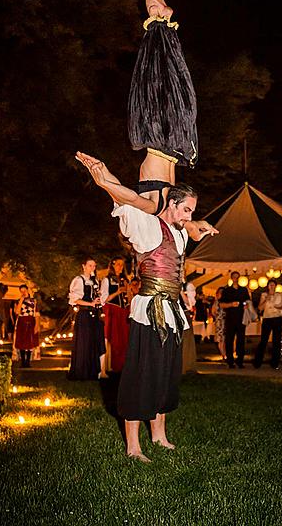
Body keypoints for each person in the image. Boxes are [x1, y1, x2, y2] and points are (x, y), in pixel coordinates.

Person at [75, 0, 217, 242]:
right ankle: (160, 24)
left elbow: (130, 198)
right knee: (164, 87)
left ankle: (161, 23)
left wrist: (104, 178)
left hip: (168, 140)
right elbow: (188, 227)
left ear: (173, 205)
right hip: (168, 140)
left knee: (165, 87)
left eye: (187, 211)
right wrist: (197, 227)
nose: (188, 216)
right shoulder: (167, 210)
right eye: (188, 210)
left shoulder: (157, 207)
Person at [94, 180, 213, 462]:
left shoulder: (181, 232)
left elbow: (191, 230)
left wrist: (199, 225)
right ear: (171, 204)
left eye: (192, 211)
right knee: (142, 373)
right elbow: (127, 201)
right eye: (185, 209)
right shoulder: (148, 228)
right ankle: (133, 446)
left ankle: (159, 435)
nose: (188, 216)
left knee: (166, 374)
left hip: (172, 311)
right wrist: (104, 178)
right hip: (149, 311)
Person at [68, 258, 107, 380]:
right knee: (83, 344)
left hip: (93, 316)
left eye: (94, 266)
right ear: (83, 266)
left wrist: (98, 300)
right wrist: (91, 304)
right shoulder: (79, 280)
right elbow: (74, 300)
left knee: (92, 343)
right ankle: (81, 373)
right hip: (84, 316)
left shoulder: (94, 281)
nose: (92, 268)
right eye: (90, 265)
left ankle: (91, 373)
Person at [100, 256, 131, 373]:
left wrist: (128, 292)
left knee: (125, 338)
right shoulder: (107, 280)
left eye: (122, 265)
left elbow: (129, 296)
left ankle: (124, 364)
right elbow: (104, 299)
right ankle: (111, 365)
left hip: (124, 312)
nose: (120, 267)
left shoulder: (124, 279)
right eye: (118, 264)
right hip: (113, 311)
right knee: (114, 338)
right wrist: (118, 292)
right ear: (112, 265)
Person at [219, 272, 250, 368]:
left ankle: (240, 361)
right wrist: (231, 304)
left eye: (237, 277)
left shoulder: (243, 290)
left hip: (241, 318)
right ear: (231, 278)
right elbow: (221, 304)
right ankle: (230, 361)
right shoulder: (227, 290)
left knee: (241, 340)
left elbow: (248, 301)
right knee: (229, 340)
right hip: (230, 318)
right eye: (234, 277)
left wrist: (246, 306)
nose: (236, 279)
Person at [253, 279, 282, 369]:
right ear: (268, 286)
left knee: (276, 341)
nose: (272, 286)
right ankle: (258, 362)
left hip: (277, 318)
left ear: (275, 286)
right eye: (270, 285)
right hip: (267, 319)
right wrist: (266, 300)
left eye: (273, 285)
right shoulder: (264, 295)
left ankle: (275, 363)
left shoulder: (280, 295)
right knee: (264, 340)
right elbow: (260, 308)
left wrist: (280, 307)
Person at [14, 284, 39, 368]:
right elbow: (17, 312)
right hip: (22, 321)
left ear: (27, 290)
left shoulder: (34, 301)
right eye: (21, 291)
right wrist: (21, 299)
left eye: (24, 290)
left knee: (30, 342)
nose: (23, 292)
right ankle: (23, 362)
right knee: (22, 342)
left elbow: (37, 314)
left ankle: (28, 362)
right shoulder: (18, 300)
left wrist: (37, 325)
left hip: (31, 321)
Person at [179, 275, 197, 373]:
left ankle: (186, 366)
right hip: (173, 313)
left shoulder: (188, 286)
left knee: (185, 341)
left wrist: (181, 292)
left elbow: (190, 304)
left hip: (184, 314)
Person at [211, 287, 226, 360]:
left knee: (226, 338)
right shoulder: (216, 302)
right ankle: (223, 354)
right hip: (220, 322)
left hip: (225, 321)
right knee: (220, 338)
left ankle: (226, 353)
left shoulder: (226, 302)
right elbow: (213, 312)